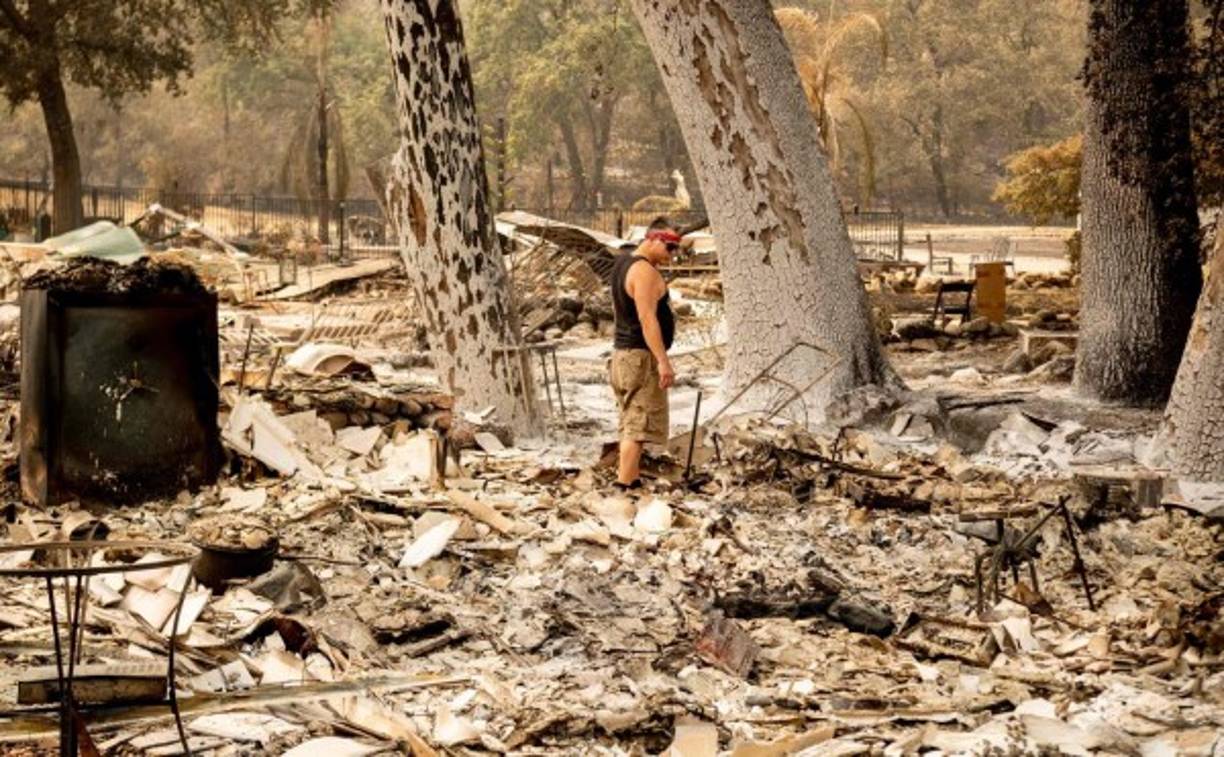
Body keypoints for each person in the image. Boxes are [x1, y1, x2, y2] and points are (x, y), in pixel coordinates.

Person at [609, 219, 680, 490]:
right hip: (640, 356)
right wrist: (663, 361)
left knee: (630, 419)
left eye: (675, 249)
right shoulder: (645, 271)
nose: (671, 254)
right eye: (669, 246)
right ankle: (624, 486)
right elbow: (647, 319)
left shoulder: (622, 264)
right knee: (638, 426)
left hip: (624, 353)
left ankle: (632, 478)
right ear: (652, 238)